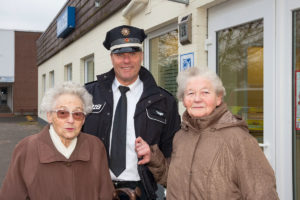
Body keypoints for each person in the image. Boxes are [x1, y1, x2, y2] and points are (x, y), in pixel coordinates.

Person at [136, 67, 279, 199]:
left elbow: (263, 193)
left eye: (205, 92)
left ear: (218, 98)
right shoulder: (181, 136)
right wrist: (153, 158)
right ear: (184, 100)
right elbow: (174, 181)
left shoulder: (239, 140)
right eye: (190, 93)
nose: (197, 99)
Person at [82, 25, 181, 200]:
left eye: (133, 54)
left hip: (142, 191)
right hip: (94, 189)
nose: (126, 61)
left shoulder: (164, 100)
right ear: (111, 57)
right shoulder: (87, 94)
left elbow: (172, 152)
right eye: (120, 54)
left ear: (141, 56)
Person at [0, 82, 114, 200]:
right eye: (63, 113)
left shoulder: (95, 147)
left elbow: (106, 194)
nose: (71, 120)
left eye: (78, 114)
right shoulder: (26, 149)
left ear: (84, 119)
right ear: (49, 116)